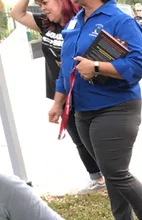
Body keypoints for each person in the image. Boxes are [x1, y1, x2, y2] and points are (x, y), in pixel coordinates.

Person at [48, 0, 142, 220]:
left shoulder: (120, 20)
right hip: (82, 110)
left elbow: (138, 65)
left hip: (116, 108)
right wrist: (58, 102)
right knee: (108, 170)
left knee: (115, 171)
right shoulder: (77, 20)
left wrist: (98, 66)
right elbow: (65, 68)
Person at [10, 0, 105, 193]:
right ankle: (97, 177)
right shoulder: (47, 24)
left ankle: (114, 176)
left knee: (95, 139)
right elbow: (17, 13)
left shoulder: (84, 22)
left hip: (84, 91)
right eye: (39, 3)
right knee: (78, 139)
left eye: (45, 2)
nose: (42, 7)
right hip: (60, 92)